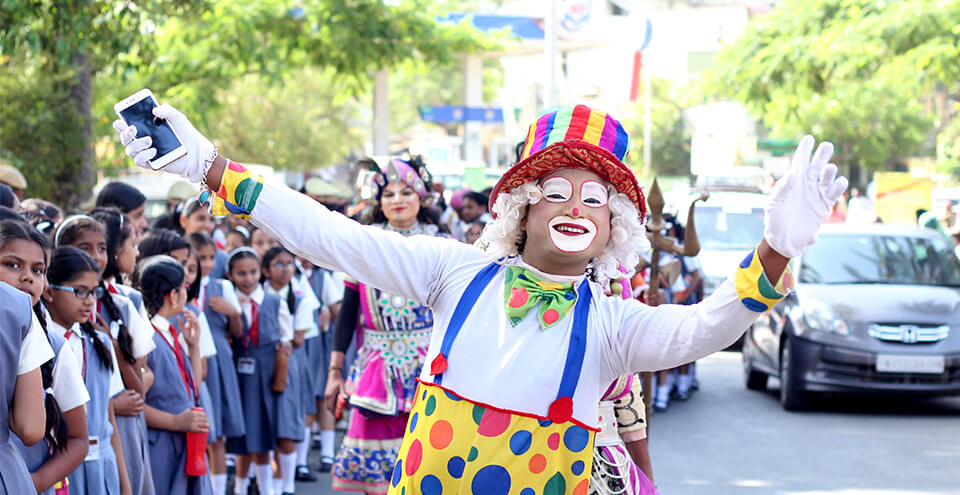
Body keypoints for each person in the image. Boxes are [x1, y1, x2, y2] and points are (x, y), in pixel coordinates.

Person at [115, 103, 846, 493]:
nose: (575, 208)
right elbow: (325, 234)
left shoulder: (615, 324)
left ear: (613, 231)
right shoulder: (453, 271)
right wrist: (209, 165)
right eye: (555, 190)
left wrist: (776, 250)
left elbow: (704, 327)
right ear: (521, 208)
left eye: (597, 201)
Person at [323, 156, 448, 494]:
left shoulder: (443, 246)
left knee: (429, 461)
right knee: (374, 471)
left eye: (405, 192)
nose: (397, 200)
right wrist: (335, 370)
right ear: (378, 201)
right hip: (377, 366)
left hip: (432, 365)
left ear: (421, 197)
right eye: (388, 194)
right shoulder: (366, 245)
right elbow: (348, 312)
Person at [55, 214, 157, 495]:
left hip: (105, 455)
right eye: (83, 248)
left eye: (101, 248)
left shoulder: (111, 319)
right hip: (65, 464)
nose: (96, 257)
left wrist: (114, 347)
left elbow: (137, 387)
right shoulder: (50, 340)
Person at [2, 219, 91, 495]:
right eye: (12, 264)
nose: (28, 277)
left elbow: (78, 437)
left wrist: (37, 481)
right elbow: (30, 428)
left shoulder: (54, 346)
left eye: (38, 270)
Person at [45, 246, 131, 495]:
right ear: (49, 292)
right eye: (80, 291)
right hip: (59, 467)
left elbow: (109, 418)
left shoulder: (100, 344)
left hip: (102, 466)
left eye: (93, 292)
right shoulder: (45, 346)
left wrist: (125, 485)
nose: (90, 300)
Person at [136, 256, 213, 495]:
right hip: (162, 442)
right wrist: (175, 422)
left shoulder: (170, 330)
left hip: (184, 441)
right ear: (173, 295)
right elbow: (137, 402)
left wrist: (194, 347)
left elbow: (194, 388)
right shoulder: (146, 337)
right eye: (184, 288)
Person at [224, 248, 296, 495]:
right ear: (230, 275)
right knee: (242, 439)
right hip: (239, 377)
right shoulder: (228, 302)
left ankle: (267, 489)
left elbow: (286, 338)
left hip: (266, 378)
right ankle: (241, 488)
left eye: (253, 272)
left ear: (260, 273)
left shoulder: (275, 302)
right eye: (241, 273)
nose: (248, 278)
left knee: (263, 436)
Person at [187, 232, 245, 495]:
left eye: (211, 258)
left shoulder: (223, 287)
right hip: (193, 358)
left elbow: (237, 331)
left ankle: (220, 489)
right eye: (202, 258)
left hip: (219, 359)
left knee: (218, 431)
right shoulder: (186, 288)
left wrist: (232, 312)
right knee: (201, 431)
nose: (207, 264)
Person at [262, 246, 315, 493]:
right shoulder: (261, 295)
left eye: (289, 264)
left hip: (286, 365)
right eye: (278, 264)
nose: (285, 270)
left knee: (286, 421)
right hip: (263, 364)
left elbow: (298, 338)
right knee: (265, 421)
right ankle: (269, 480)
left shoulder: (301, 297)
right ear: (266, 270)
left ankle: (288, 484)